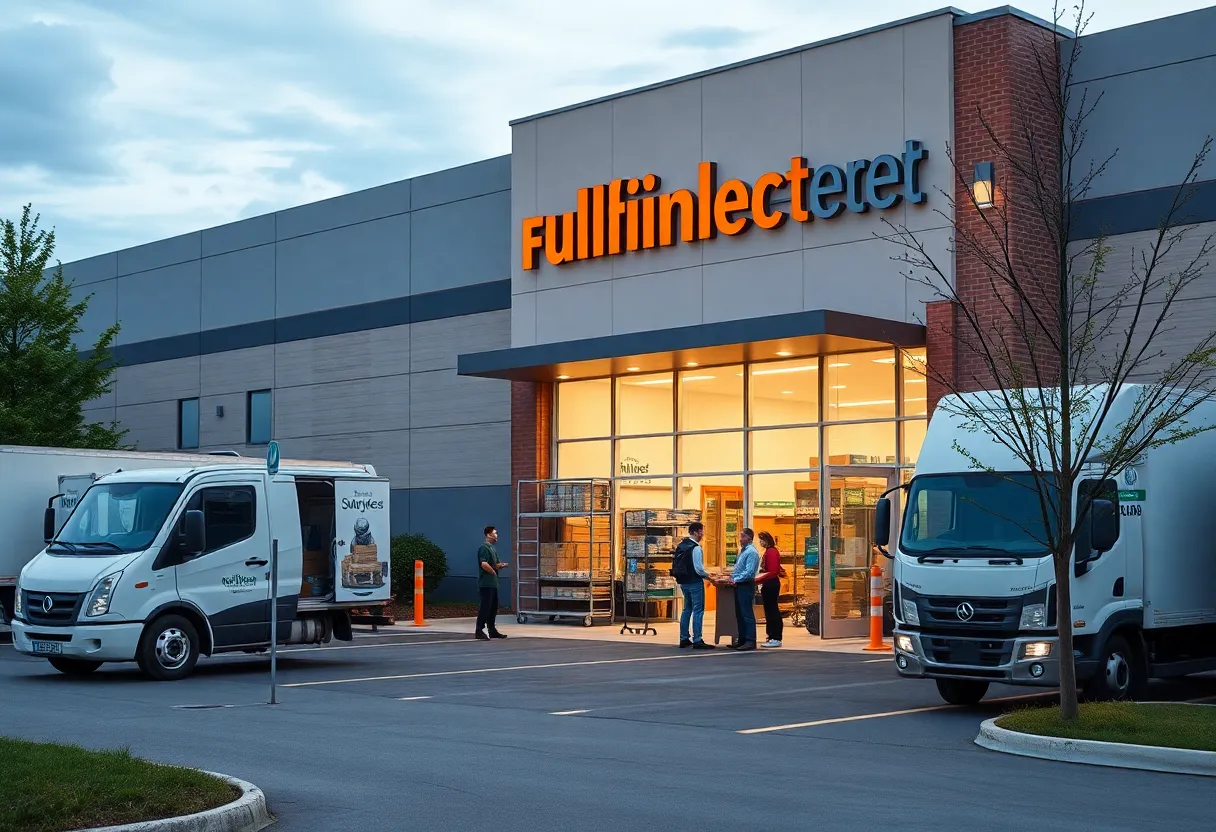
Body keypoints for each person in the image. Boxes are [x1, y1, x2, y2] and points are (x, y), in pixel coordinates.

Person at [671, 521, 714, 650]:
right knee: (698, 610)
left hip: (683, 582)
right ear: (696, 532)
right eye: (701, 531)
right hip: (695, 582)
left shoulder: (682, 545)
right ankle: (697, 639)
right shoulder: (695, 548)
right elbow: (699, 569)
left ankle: (684, 638)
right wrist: (710, 578)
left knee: (687, 609)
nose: (702, 534)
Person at [716, 528, 760, 650]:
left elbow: (749, 572)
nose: (740, 539)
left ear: (749, 538)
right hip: (739, 584)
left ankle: (750, 640)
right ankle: (742, 639)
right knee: (739, 614)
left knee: (746, 614)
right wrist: (730, 577)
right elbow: (739, 569)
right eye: (740, 536)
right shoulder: (742, 551)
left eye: (742, 537)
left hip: (746, 585)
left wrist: (735, 579)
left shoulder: (751, 552)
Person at [476, 526, 509, 640]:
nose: (496, 535)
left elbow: (495, 565)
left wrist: (502, 565)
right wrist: (493, 572)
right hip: (486, 583)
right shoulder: (484, 548)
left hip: (493, 583)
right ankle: (479, 630)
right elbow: (484, 564)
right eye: (494, 533)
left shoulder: (493, 549)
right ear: (488, 535)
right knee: (485, 607)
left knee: (493, 607)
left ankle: (492, 630)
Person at [755, 531, 786, 648]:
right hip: (768, 583)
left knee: (772, 611)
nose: (761, 542)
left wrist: (758, 579)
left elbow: (772, 572)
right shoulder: (769, 552)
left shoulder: (771, 552)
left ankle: (775, 637)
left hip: (770, 584)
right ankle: (771, 635)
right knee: (769, 611)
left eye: (762, 540)